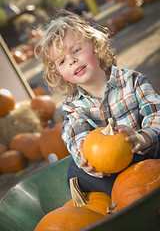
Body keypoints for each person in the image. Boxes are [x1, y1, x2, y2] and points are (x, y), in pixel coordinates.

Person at [36, 10, 160, 195]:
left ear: (95, 45)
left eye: (76, 50)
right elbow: (76, 136)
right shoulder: (73, 106)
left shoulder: (131, 80)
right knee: (74, 172)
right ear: (59, 73)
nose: (72, 60)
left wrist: (143, 137)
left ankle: (137, 189)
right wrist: (86, 162)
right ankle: (127, 194)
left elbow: (156, 112)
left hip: (150, 157)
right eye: (62, 61)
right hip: (114, 172)